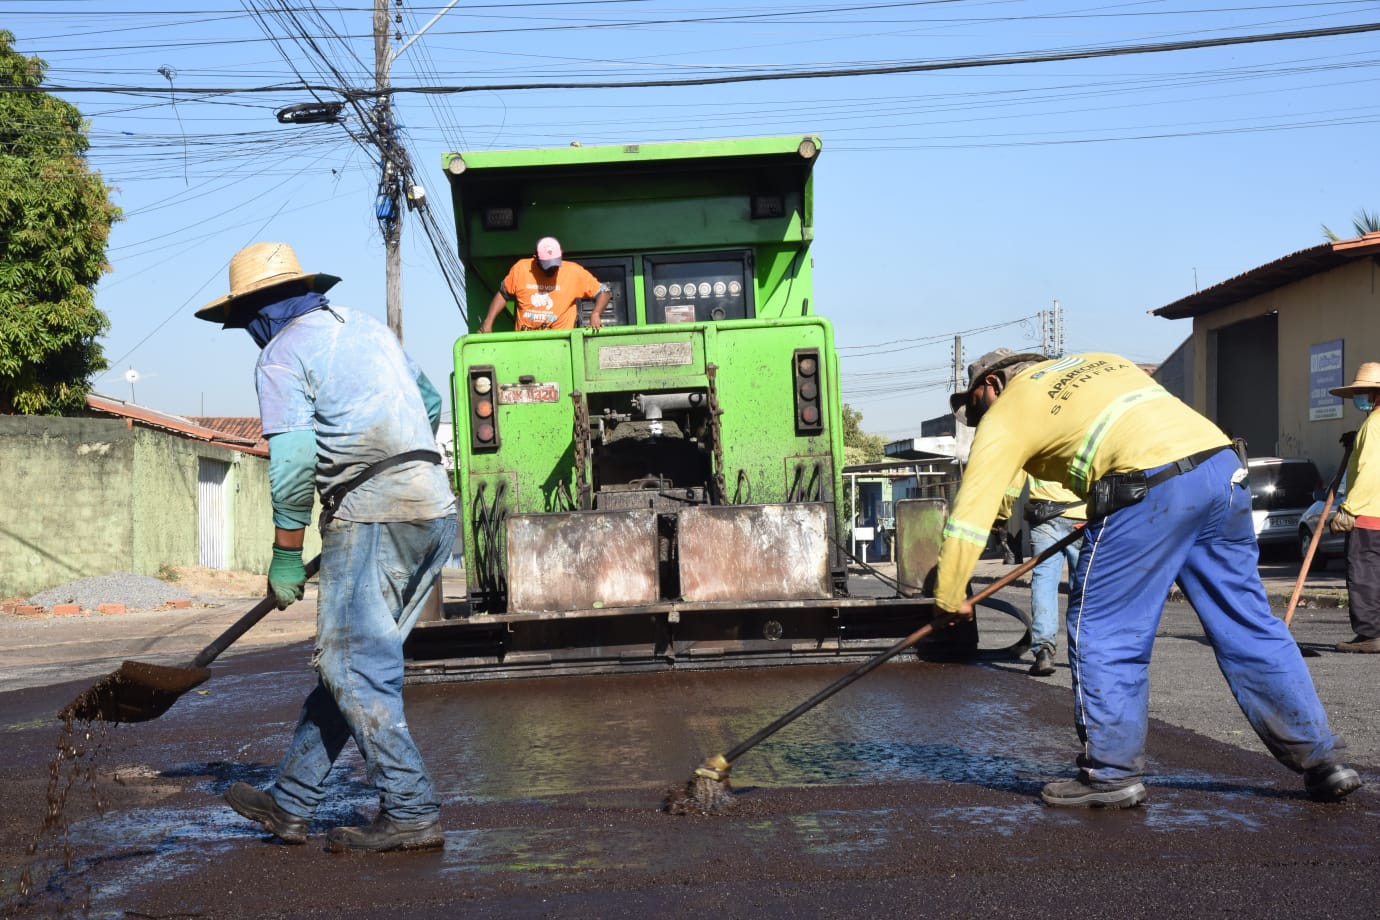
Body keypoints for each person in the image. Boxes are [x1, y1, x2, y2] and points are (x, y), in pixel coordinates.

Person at [936, 348, 1362, 808]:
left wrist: (948, 595)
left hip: (1151, 489)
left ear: (995, 384)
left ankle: (1112, 774)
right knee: (1249, 625)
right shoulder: (1101, 360)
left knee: (1104, 627)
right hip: (1221, 471)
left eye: (975, 402)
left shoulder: (1010, 408)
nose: (977, 416)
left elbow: (970, 512)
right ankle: (1324, 760)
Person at [195, 242, 458, 853]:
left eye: (244, 324)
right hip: (435, 508)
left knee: (352, 668)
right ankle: (291, 802)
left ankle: (412, 810)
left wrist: (287, 550)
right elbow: (431, 403)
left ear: (258, 312)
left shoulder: (282, 353)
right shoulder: (366, 328)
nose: (249, 335)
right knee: (351, 668)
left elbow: (290, 464)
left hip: (373, 515)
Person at [1002, 474, 1085, 677]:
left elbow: (1012, 485)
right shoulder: (1083, 440)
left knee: (1044, 583)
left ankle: (1043, 652)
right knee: (1083, 587)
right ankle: (1085, 654)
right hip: (1082, 516)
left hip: (1044, 517)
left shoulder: (1032, 440)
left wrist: (1001, 517)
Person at [1328, 362, 1380, 653]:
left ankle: (1370, 634)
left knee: (1364, 574)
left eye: (1364, 392)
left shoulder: (1374, 425)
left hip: (1371, 515)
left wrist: (1349, 508)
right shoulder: (1371, 425)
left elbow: (1372, 469)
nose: (1360, 397)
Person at [479, 236, 611, 332]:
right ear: (535, 258)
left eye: (555, 265)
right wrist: (488, 322)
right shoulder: (521, 269)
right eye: (547, 265)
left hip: (560, 342)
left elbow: (604, 292)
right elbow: (503, 294)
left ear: (561, 255)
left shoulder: (573, 272)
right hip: (525, 343)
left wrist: (595, 314)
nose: (551, 269)